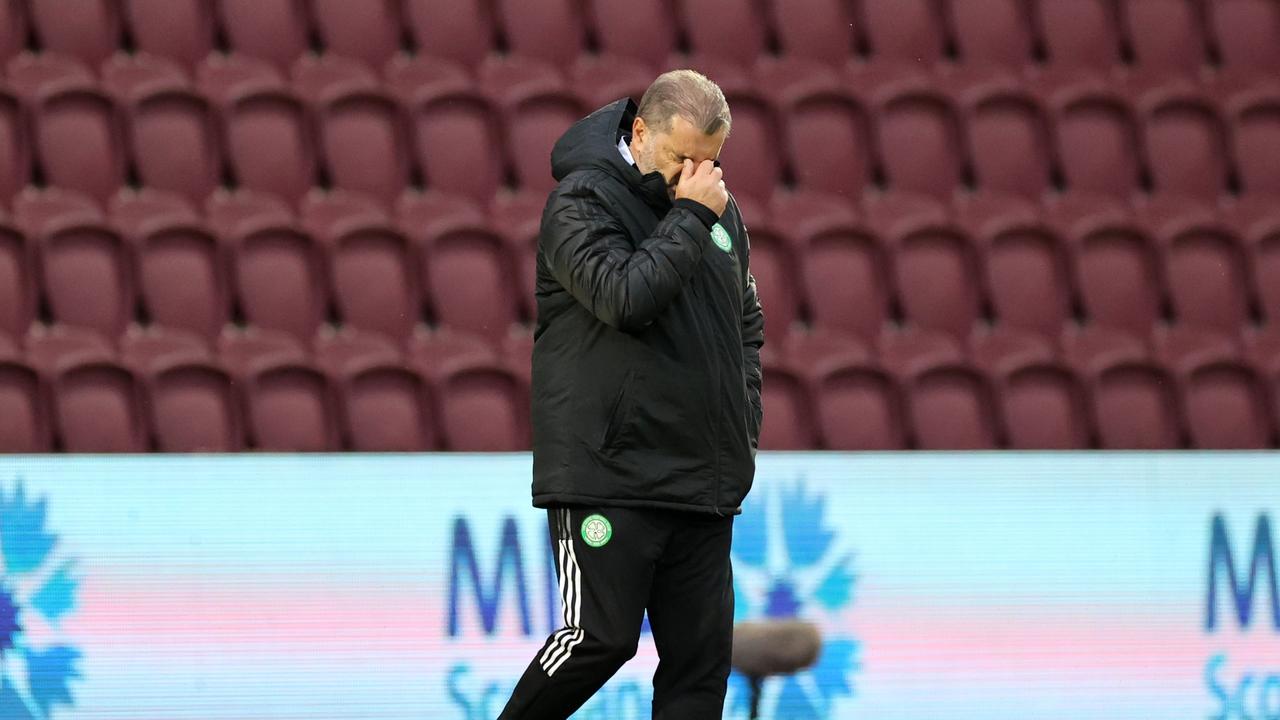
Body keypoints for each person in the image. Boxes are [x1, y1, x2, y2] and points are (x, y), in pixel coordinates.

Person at [498, 70, 764, 719]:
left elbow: (747, 322)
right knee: (597, 639)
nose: (696, 177)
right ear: (640, 133)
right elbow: (624, 298)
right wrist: (692, 214)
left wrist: (741, 415)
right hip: (610, 472)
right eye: (681, 160)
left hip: (701, 479)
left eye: (711, 162)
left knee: (700, 669)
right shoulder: (581, 205)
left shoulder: (717, 209)